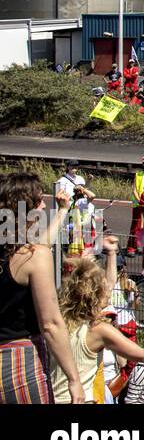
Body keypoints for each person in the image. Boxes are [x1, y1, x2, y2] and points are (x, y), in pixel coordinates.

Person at [52, 238, 144, 403]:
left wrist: (111, 254)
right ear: (95, 297)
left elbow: (105, 285)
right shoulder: (98, 330)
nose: (109, 295)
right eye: (105, 293)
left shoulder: (58, 319)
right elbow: (143, 354)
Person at [0, 172, 83, 404]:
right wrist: (73, 378)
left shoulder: (22, 250)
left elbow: (42, 245)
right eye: (39, 200)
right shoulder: (33, 256)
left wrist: (62, 211)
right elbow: (51, 324)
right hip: (19, 365)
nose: (44, 204)